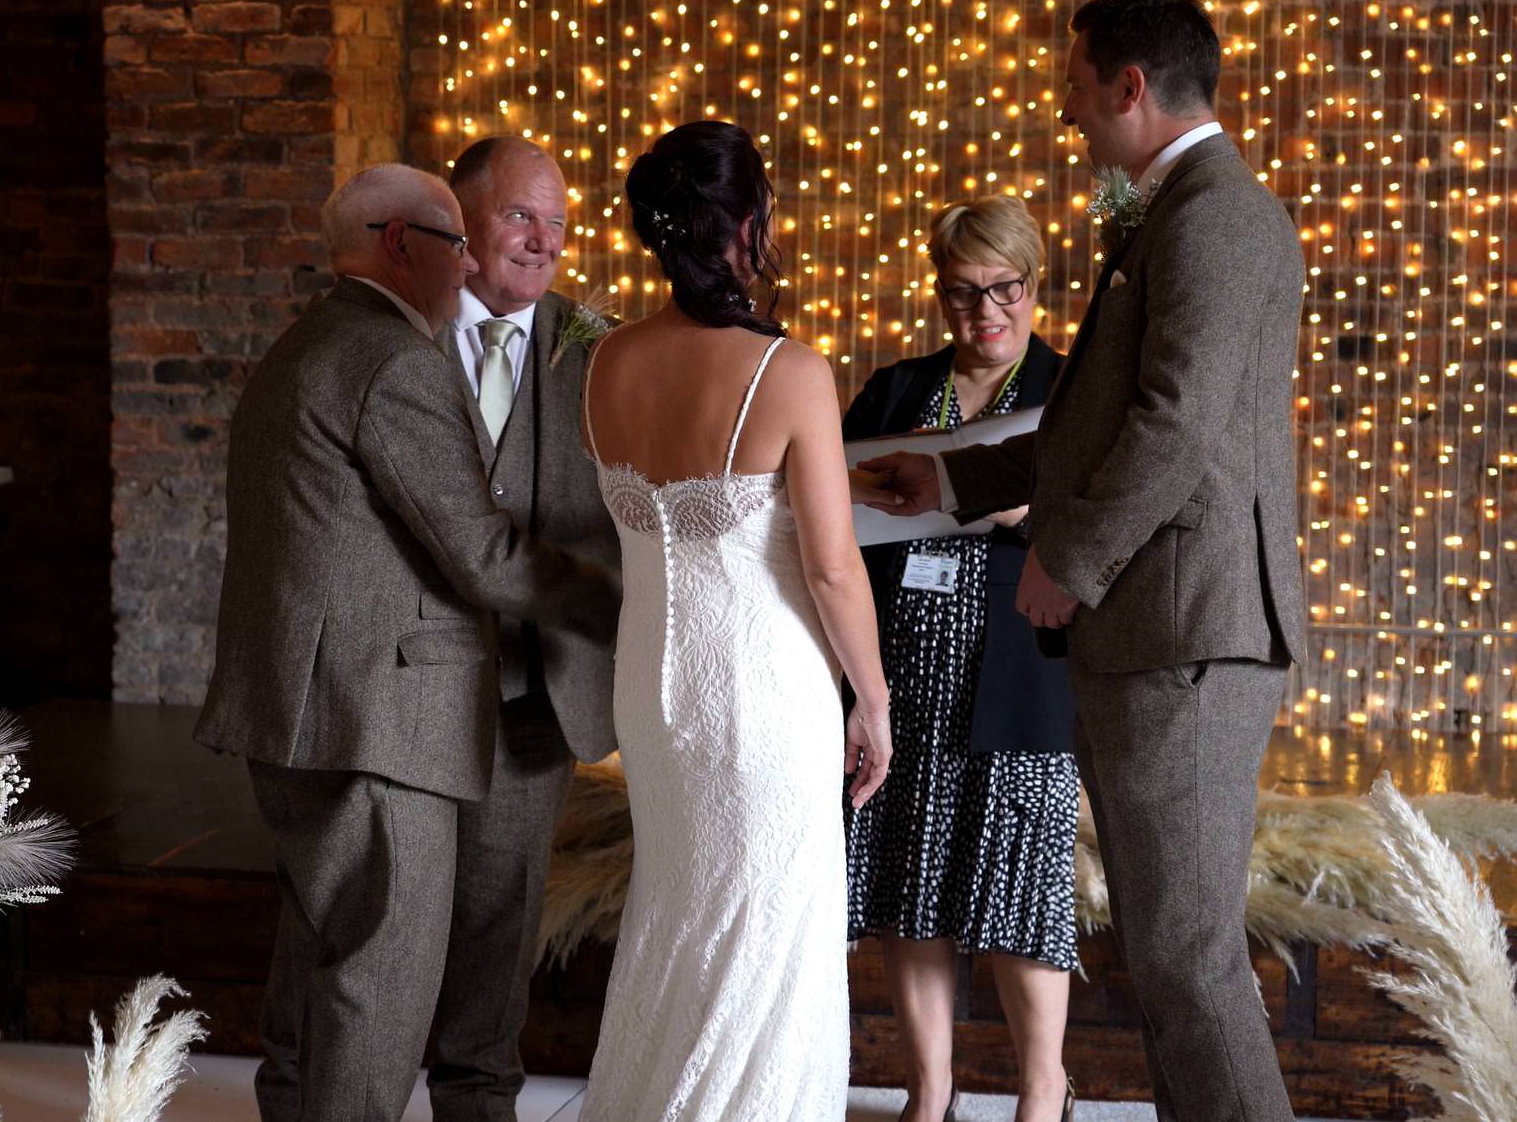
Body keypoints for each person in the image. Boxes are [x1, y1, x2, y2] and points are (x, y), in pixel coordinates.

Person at [858, 0, 1307, 1118]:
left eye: (1074, 86)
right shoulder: (1172, 215)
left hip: (1184, 631)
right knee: (1165, 955)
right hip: (1153, 634)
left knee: (1190, 958)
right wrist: (951, 480)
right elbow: (1089, 428)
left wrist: (1068, 559)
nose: (1067, 112)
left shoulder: (1217, 216)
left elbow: (1173, 423)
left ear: (1128, 87)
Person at [193, 163, 619, 1122]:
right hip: (382, 719)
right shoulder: (394, 358)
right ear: (398, 243)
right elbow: (480, 551)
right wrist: (630, 607)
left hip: (320, 707)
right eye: (457, 242)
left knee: (338, 958)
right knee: (377, 987)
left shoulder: (310, 341)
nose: (465, 264)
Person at [577, 119, 892, 1121]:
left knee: (678, 919)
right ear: (748, 222)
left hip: (651, 697)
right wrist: (873, 699)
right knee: (766, 938)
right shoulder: (789, 372)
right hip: (762, 697)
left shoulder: (605, 364)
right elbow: (831, 568)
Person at [841, 197, 1077, 1122]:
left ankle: (1042, 1092)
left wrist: (1024, 508)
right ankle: (929, 1090)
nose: (985, 312)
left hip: (1024, 673)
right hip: (903, 677)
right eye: (963, 292)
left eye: (1004, 289)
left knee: (1021, 886)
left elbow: (1113, 522)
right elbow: (833, 513)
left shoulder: (1072, 390)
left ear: (1035, 283)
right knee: (910, 881)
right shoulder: (897, 390)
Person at [419, 136, 621, 1120]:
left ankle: (476, 1106)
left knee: (499, 928)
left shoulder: (601, 352)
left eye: (558, 223)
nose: (544, 241)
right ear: (460, 221)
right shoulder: (395, 334)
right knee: (389, 926)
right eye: (519, 217)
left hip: (536, 695)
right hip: (405, 688)